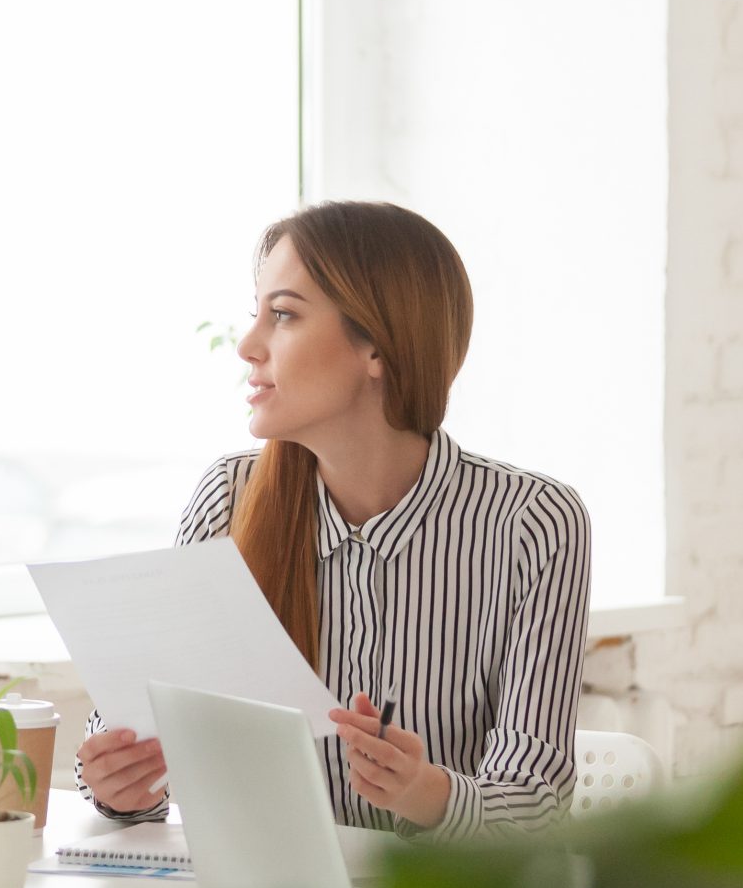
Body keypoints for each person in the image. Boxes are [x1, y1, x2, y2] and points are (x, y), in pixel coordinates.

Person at [76, 200, 590, 839]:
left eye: (284, 315)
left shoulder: (532, 524)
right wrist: (119, 783)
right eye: (256, 313)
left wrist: (428, 794)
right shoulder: (229, 497)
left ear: (377, 345)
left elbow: (537, 805)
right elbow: (146, 755)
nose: (247, 345)